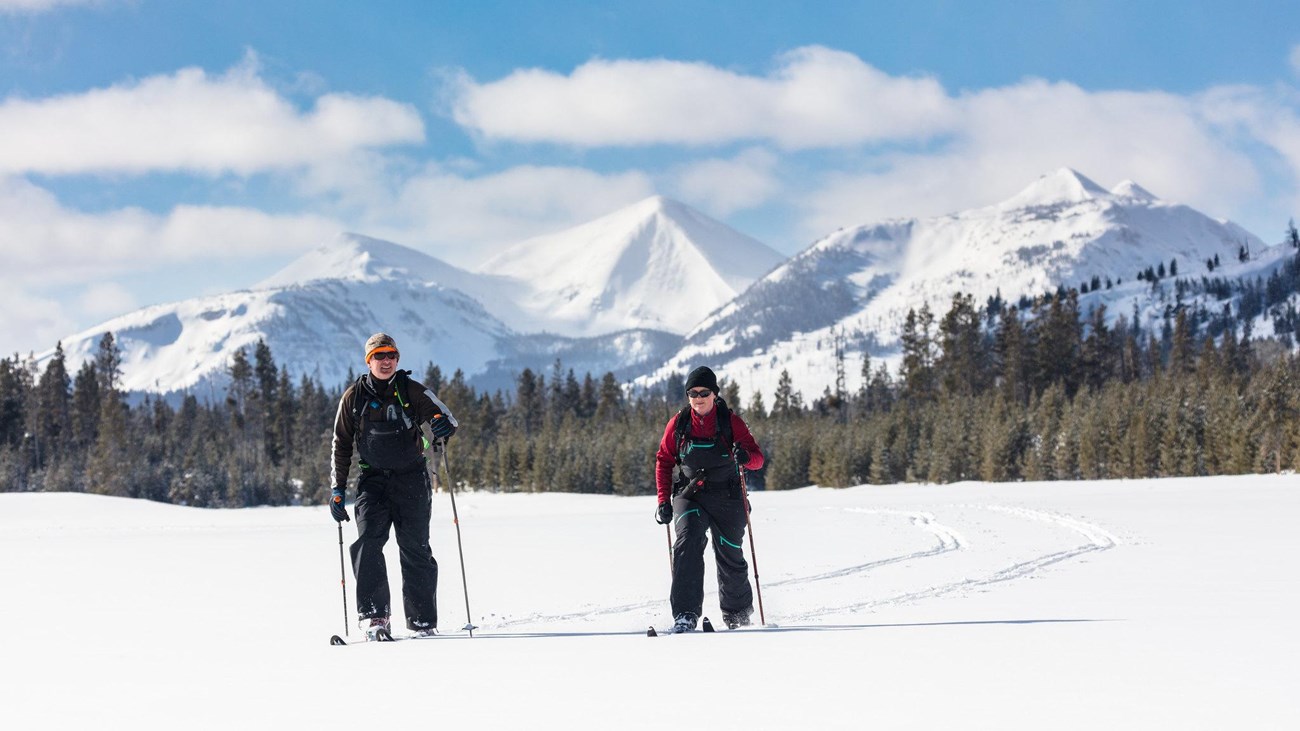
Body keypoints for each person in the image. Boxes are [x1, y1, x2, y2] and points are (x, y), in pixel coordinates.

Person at [329, 332, 458, 640]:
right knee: (368, 544)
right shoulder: (353, 397)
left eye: (391, 355)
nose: (385, 361)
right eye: (379, 356)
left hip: (412, 478)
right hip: (372, 482)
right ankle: (376, 618)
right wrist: (337, 490)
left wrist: (442, 425)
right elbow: (341, 444)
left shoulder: (412, 390)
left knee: (415, 548)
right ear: (368, 361)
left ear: (397, 359)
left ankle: (423, 622)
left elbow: (448, 420)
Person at [654, 365, 764, 632]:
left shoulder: (731, 422)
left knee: (729, 551)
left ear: (714, 394)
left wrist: (745, 458)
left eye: (704, 392)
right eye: (692, 393)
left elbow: (758, 460)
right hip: (691, 494)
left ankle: (737, 615)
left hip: (728, 495)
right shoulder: (678, 424)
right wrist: (663, 501)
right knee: (688, 540)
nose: (698, 397)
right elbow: (664, 461)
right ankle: (685, 615)